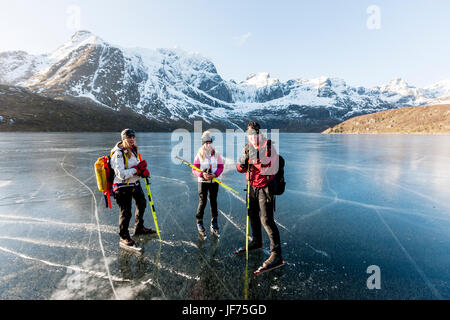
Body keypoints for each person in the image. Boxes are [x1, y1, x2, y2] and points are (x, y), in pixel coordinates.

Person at [236, 122, 283, 269]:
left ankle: (276, 254)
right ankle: (257, 241)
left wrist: (253, 160)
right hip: (251, 187)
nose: (250, 138)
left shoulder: (269, 148)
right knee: (253, 215)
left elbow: (271, 168)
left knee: (267, 221)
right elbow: (240, 169)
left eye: (252, 135)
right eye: (248, 135)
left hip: (265, 188)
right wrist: (242, 163)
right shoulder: (247, 148)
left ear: (258, 134)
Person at [110, 128, 156, 249]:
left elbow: (136, 165)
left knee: (142, 203)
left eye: (133, 137)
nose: (131, 139)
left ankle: (139, 227)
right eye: (129, 137)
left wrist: (142, 172)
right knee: (126, 212)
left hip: (134, 184)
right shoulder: (118, 153)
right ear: (123, 139)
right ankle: (123, 236)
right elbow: (120, 174)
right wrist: (137, 170)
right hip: (122, 186)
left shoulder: (133, 149)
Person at [192, 131, 224, 238]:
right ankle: (199, 221)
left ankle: (214, 222)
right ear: (203, 143)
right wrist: (202, 174)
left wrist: (215, 174)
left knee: (214, 201)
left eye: (209, 142)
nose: (208, 144)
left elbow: (220, 167)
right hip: (203, 182)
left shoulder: (216, 153)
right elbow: (194, 169)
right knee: (203, 201)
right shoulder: (199, 154)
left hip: (214, 181)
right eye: (206, 142)